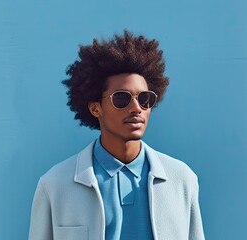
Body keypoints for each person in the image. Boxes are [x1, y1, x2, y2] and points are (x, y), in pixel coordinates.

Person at [28, 30, 205, 240]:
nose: (136, 108)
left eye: (144, 99)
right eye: (122, 98)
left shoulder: (182, 179)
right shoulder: (55, 184)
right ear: (96, 108)